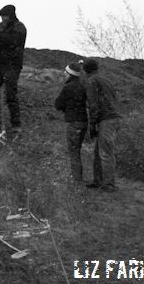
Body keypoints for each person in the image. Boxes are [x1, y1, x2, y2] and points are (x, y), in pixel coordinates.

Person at [0, 4, 26, 135]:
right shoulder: (0, 26)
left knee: (10, 95)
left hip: (13, 65)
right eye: (1, 16)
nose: (3, 19)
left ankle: (16, 125)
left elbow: (12, 42)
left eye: (5, 16)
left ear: (11, 15)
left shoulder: (19, 27)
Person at [83, 58, 121, 192]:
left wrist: (92, 125)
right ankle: (98, 181)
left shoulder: (91, 81)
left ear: (85, 69)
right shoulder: (106, 80)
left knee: (105, 153)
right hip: (113, 118)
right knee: (100, 151)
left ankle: (109, 185)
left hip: (107, 119)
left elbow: (93, 105)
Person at [53, 61, 89, 184]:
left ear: (70, 74)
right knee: (77, 150)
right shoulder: (83, 86)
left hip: (73, 122)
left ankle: (77, 181)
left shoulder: (68, 87)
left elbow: (58, 104)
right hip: (84, 122)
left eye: (65, 72)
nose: (64, 73)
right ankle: (78, 178)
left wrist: (66, 108)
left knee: (73, 151)